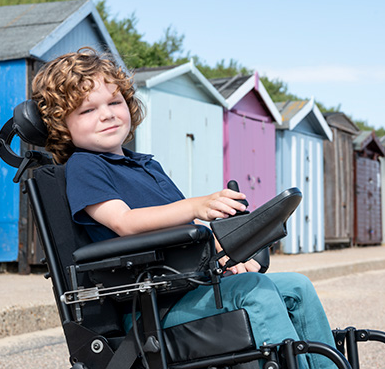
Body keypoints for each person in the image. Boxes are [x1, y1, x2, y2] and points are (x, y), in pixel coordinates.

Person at [31, 47, 337, 369]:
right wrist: (197, 204)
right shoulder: (85, 166)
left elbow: (181, 235)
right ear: (62, 125)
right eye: (87, 110)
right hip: (149, 305)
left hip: (188, 287)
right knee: (254, 292)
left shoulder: (146, 166)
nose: (106, 114)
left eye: (114, 102)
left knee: (297, 287)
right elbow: (124, 222)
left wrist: (228, 255)